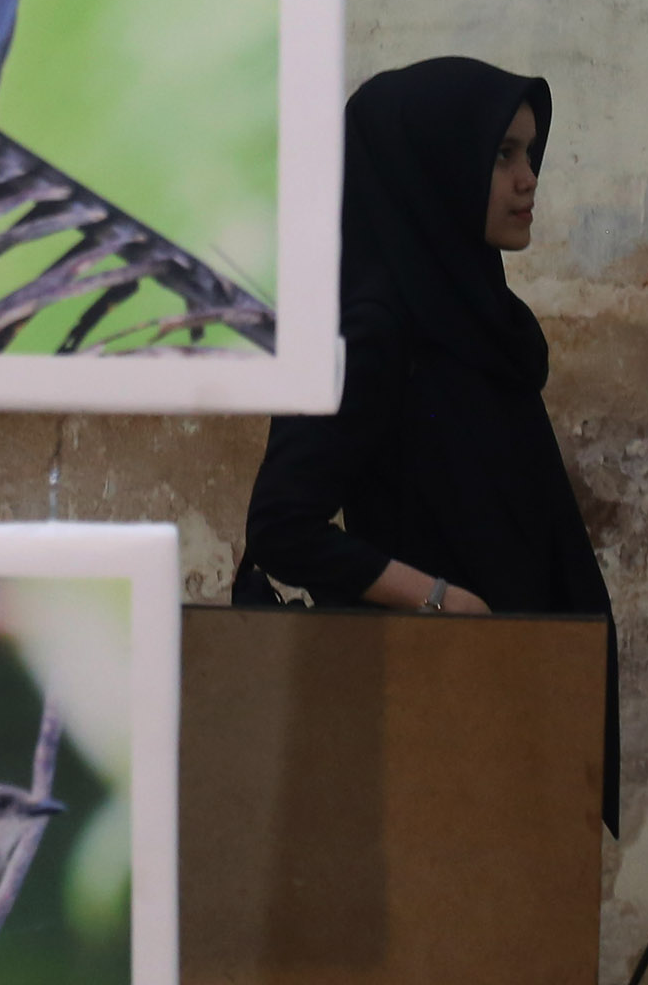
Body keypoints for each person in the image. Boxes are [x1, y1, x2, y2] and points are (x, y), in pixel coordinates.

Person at [236, 56, 619, 830]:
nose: (526, 179)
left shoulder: (477, 318)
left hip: (512, 699)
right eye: (501, 155)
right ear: (432, 166)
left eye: (529, 154)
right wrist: (443, 602)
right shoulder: (373, 327)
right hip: (424, 716)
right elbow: (282, 525)